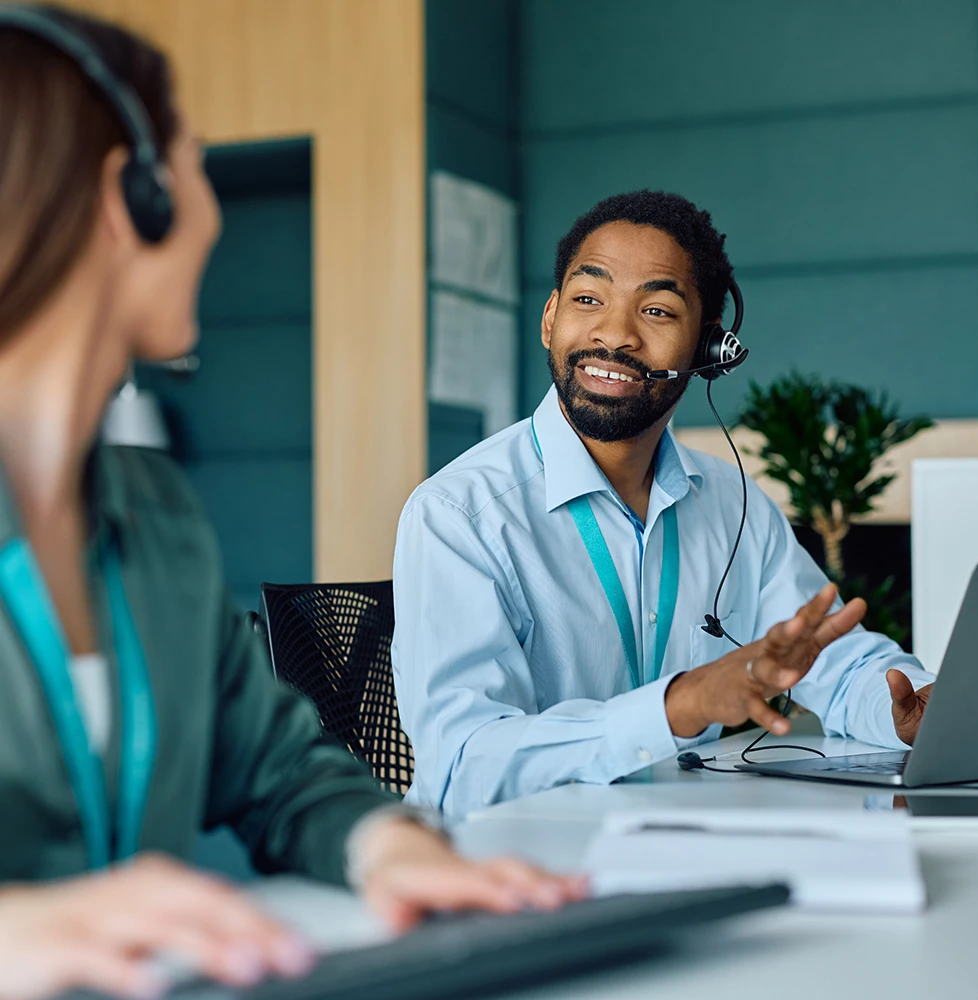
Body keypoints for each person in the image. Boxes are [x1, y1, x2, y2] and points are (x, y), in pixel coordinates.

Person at [0, 5, 584, 997]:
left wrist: (387, 845)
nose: (213, 215)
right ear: (128, 197)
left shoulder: (157, 523)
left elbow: (277, 764)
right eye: (191, 166)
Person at [392, 189, 937, 818]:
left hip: (676, 843)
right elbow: (462, 763)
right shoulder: (458, 514)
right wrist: (681, 706)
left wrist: (907, 708)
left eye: (656, 310)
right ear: (550, 318)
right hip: (513, 866)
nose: (614, 335)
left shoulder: (731, 502)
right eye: (588, 299)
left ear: (708, 350)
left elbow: (832, 664)